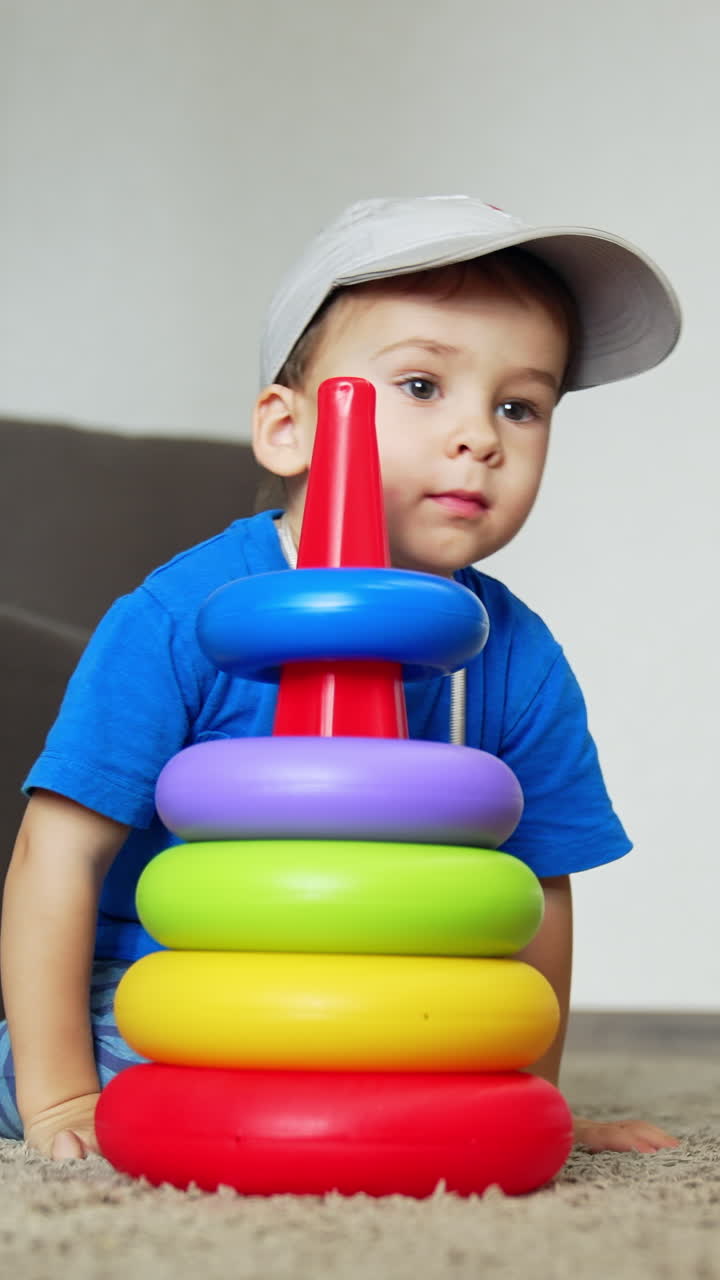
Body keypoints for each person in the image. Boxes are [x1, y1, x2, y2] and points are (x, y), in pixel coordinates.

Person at [0, 195, 682, 1162]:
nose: (480, 437)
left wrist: (526, 1100)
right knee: (204, 1108)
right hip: (176, 1002)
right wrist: (61, 1097)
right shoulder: (180, 618)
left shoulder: (519, 658)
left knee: (417, 1100)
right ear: (289, 429)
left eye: (519, 405)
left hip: (401, 996)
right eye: (420, 385)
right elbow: (56, 855)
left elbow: (539, 890)